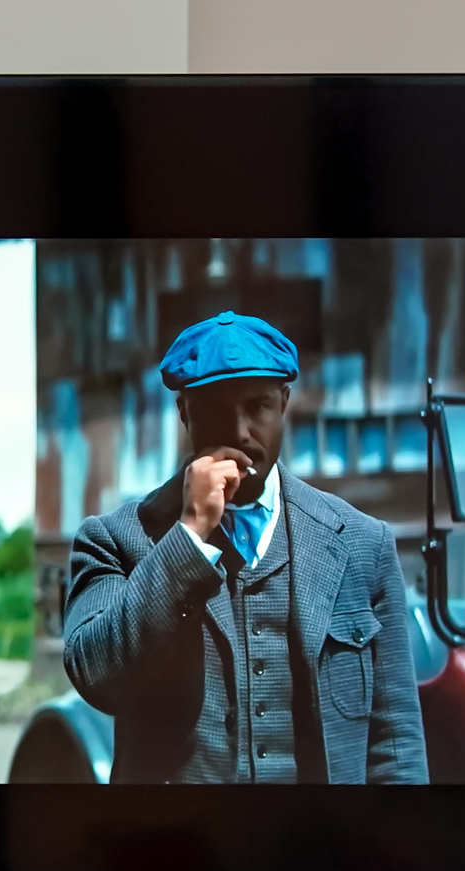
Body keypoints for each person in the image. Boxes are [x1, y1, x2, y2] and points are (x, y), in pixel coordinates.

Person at [62, 311, 428, 785]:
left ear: (284, 404)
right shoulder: (115, 540)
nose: (238, 432)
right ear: (184, 413)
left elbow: (395, 744)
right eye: (214, 410)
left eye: (257, 406)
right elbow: (97, 677)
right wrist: (188, 537)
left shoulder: (361, 543)